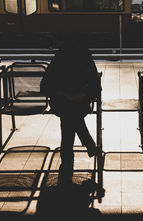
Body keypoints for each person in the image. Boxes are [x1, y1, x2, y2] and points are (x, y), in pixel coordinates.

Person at [41, 40, 102, 188]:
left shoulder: (57, 61)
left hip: (60, 104)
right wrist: (83, 95)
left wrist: (62, 93)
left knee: (68, 117)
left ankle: (69, 158)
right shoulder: (87, 60)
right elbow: (96, 87)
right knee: (72, 114)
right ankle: (88, 144)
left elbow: (44, 87)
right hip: (80, 104)